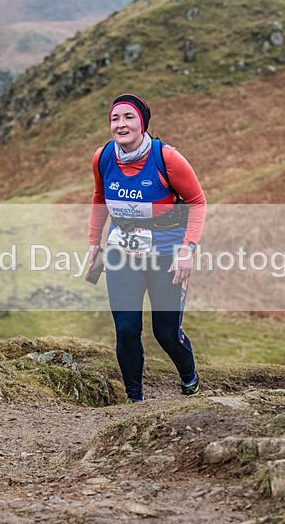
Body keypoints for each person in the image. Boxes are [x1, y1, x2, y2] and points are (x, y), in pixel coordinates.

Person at [88, 93, 206, 403]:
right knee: (126, 329)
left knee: (166, 333)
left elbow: (197, 202)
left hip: (166, 255)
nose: (121, 124)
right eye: (115, 118)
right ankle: (134, 399)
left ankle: (189, 378)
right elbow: (100, 199)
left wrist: (188, 250)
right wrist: (94, 243)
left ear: (143, 123)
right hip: (121, 253)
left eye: (129, 117)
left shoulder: (166, 158)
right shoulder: (103, 158)